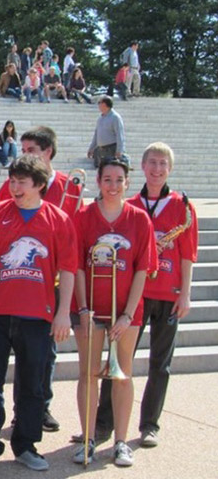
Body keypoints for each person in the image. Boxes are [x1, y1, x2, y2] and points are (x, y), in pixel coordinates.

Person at [0, 155, 77, 473]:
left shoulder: (58, 219)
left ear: (39, 185)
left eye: (22, 182)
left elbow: (68, 269)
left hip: (37, 315)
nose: (14, 187)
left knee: (32, 386)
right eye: (11, 181)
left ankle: (26, 445)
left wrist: (63, 313)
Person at [93, 143, 198, 451]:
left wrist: (186, 294)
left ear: (170, 169)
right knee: (118, 361)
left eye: (163, 164)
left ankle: (149, 425)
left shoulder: (183, 205)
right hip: (133, 295)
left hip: (169, 293)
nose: (157, 168)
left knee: (160, 364)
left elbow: (188, 254)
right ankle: (103, 425)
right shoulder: (130, 203)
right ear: (142, 166)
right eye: (152, 162)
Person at [71, 158, 155, 467]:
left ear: (127, 183)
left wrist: (127, 315)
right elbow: (76, 267)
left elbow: (143, 270)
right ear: (98, 180)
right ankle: (89, 437)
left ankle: (120, 441)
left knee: (123, 376)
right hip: (89, 310)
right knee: (87, 374)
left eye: (119, 179)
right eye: (107, 179)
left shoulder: (140, 219)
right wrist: (82, 308)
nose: (113, 185)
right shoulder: (83, 217)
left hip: (125, 312)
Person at [88, 96, 126, 168]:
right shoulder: (100, 118)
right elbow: (96, 135)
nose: (98, 105)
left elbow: (119, 134)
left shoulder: (115, 117)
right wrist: (91, 148)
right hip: (100, 150)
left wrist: (119, 150)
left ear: (105, 104)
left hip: (111, 149)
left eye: (99, 103)